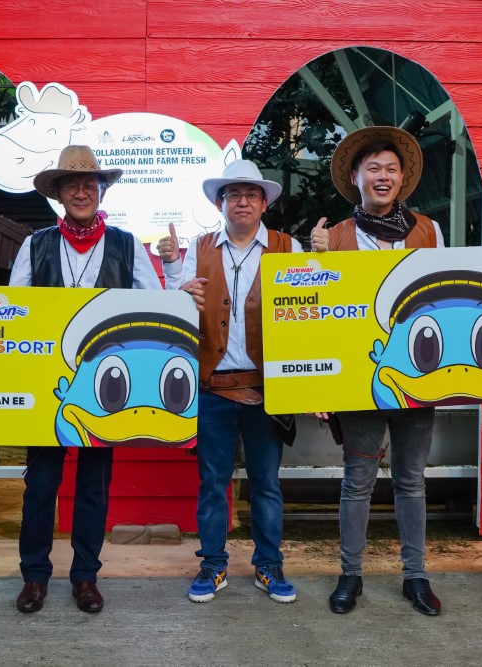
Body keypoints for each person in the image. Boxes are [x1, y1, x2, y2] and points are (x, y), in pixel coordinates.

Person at [10, 145, 169, 614]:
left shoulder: (126, 243)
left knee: (94, 487)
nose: (81, 192)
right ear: (58, 193)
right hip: (47, 386)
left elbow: (153, 305)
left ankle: (85, 577)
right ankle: (34, 577)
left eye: (90, 184)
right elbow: (17, 310)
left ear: (101, 192)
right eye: (72, 184)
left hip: (107, 387)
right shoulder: (34, 244)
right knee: (40, 486)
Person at [310, 126, 447, 616]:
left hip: (417, 374)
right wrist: (317, 260)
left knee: (412, 480)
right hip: (359, 381)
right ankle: (351, 575)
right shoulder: (335, 238)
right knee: (358, 480)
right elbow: (317, 315)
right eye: (374, 168)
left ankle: (417, 577)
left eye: (391, 168)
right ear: (356, 176)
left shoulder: (429, 231)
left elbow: (442, 296)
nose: (383, 176)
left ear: (401, 177)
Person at [157, 159, 301, 604]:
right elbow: (169, 320)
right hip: (212, 389)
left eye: (251, 194)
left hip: (266, 388)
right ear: (221, 203)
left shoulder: (288, 247)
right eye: (233, 194)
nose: (242, 201)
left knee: (267, 483)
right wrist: (173, 278)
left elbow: (309, 317)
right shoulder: (196, 249)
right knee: (212, 482)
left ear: (263, 204)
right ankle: (213, 565)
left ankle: (268, 565)